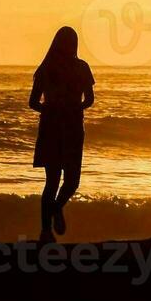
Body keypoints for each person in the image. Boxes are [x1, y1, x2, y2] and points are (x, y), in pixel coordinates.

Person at [28, 26, 95, 243]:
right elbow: (33, 102)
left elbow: (90, 98)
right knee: (54, 181)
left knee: (71, 181)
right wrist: (52, 109)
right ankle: (45, 231)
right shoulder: (47, 68)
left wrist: (75, 108)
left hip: (71, 127)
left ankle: (55, 209)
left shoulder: (80, 67)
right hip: (55, 128)